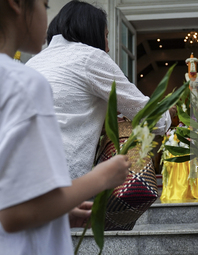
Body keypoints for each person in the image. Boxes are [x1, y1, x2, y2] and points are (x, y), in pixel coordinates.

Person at [0, 0, 130, 254]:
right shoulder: (24, 82)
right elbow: (14, 213)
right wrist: (103, 176)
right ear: (16, 4)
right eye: (45, 5)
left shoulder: (23, 71)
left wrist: (59, 213)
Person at [26, 0, 172, 180]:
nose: (108, 46)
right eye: (105, 35)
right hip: (62, 178)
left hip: (21, 174)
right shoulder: (90, 57)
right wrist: (170, 115)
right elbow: (152, 117)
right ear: (91, 31)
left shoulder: (33, 62)